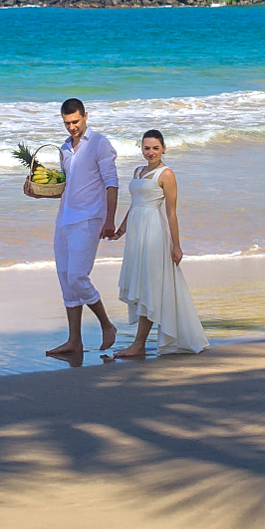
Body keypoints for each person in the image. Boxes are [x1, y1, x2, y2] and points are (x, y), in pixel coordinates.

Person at [30, 97, 119, 357]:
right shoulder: (64, 149)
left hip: (90, 219)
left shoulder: (100, 144)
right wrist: (38, 194)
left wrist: (110, 219)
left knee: (78, 277)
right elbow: (67, 189)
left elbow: (111, 183)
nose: (72, 127)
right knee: (66, 281)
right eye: (67, 123)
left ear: (86, 116)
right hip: (64, 220)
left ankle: (107, 325)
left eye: (76, 121)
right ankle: (74, 341)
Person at [109, 130, 209, 359]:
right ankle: (139, 343)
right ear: (141, 149)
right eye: (146, 148)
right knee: (141, 283)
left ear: (163, 148)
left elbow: (171, 213)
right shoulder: (138, 171)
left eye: (155, 148)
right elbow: (134, 205)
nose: (150, 152)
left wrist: (177, 246)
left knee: (149, 286)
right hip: (136, 232)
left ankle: (138, 344)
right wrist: (120, 231)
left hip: (153, 231)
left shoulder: (167, 174)